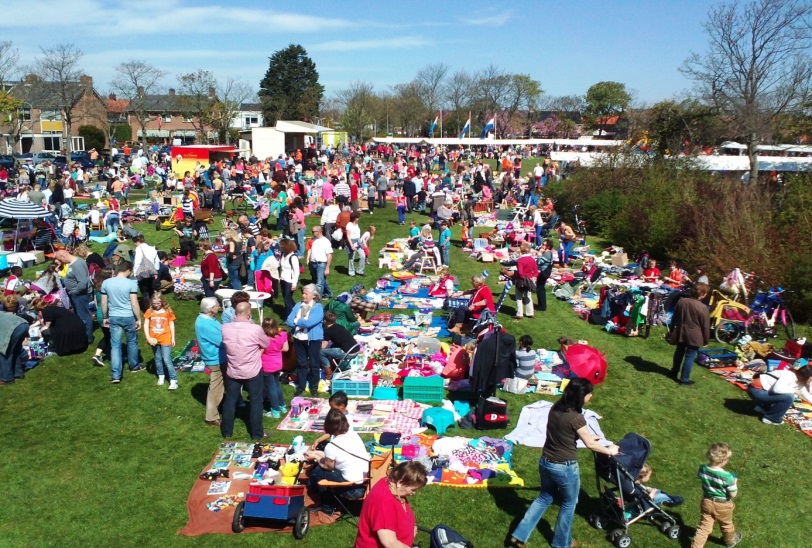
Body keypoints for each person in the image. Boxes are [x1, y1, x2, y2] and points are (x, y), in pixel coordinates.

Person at [510, 378, 619, 548]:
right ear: (582, 396)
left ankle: (519, 535)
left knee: (544, 497)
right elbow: (590, 444)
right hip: (565, 467)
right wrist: (609, 451)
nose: (590, 397)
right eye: (589, 394)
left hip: (546, 461)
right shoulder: (576, 418)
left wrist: (588, 437)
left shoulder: (555, 408)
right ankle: (562, 543)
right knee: (569, 503)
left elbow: (567, 432)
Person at [305, 409, 371, 512]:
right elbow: (340, 458)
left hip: (353, 488)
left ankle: (327, 507)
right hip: (367, 481)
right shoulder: (353, 434)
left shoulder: (332, 446)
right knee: (320, 467)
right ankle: (315, 489)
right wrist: (317, 454)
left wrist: (316, 457)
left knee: (318, 471)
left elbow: (328, 467)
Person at [221, 302, 269, 440]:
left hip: (233, 369)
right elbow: (265, 343)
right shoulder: (255, 329)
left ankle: (227, 432)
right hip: (252, 370)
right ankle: (257, 434)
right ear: (249, 313)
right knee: (256, 401)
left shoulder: (225, 328)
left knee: (230, 401)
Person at [355, 460, 428, 548]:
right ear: (400, 482)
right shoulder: (383, 502)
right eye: (413, 490)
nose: (414, 493)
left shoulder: (390, 484)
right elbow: (390, 543)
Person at [101, 260, 144, 383]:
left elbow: (104, 303)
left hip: (114, 316)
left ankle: (116, 375)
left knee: (115, 345)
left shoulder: (106, 283)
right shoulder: (131, 284)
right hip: (128, 316)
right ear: (129, 270)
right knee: (132, 342)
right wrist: (139, 319)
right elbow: (134, 303)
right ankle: (134, 366)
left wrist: (105, 317)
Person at [692, 443, 742, 548]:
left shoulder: (703, 469)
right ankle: (730, 541)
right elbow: (733, 494)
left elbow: (701, 476)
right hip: (723, 505)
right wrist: (735, 482)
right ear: (723, 461)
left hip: (707, 501)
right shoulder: (727, 477)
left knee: (704, 527)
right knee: (726, 524)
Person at [287, 283, 325, 397]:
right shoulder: (298, 305)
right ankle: (301, 386)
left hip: (313, 339)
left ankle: (314, 387)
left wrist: (297, 320)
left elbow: (310, 322)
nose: (303, 296)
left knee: (314, 363)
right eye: (303, 293)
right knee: (301, 363)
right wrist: (299, 322)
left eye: (306, 294)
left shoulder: (318, 307)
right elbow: (288, 320)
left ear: (314, 295)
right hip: (299, 338)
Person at [670, 283, 710, 386]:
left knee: (679, 352)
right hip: (694, 335)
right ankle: (684, 379)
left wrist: (671, 329)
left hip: (681, 332)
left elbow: (674, 317)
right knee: (690, 356)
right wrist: (706, 340)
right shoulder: (702, 307)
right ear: (702, 294)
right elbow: (705, 326)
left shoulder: (681, 301)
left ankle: (674, 372)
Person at [746, 365, 812, 425]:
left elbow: (807, 395)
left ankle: (763, 408)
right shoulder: (790, 375)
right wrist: (795, 391)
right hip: (756, 390)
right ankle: (771, 418)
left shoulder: (800, 382)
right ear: (807, 376)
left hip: (762, 391)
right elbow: (777, 389)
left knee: (788, 395)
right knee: (789, 397)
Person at [196, 297, 226, 426]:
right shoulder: (206, 325)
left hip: (217, 357)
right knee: (216, 387)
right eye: (216, 306)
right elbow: (222, 341)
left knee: (222, 384)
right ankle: (211, 416)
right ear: (210, 309)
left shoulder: (205, 319)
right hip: (216, 359)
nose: (219, 307)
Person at [54, 249, 95, 345]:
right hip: (76, 295)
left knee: (84, 316)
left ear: (63, 256)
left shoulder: (77, 264)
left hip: (80, 295)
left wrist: (75, 292)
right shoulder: (73, 264)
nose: (60, 262)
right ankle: (82, 334)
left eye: (60, 260)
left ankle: (88, 338)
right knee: (80, 316)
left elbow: (82, 282)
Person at [143, 294, 177, 390]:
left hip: (166, 338)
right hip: (154, 339)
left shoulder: (167, 311)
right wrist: (148, 337)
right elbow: (146, 324)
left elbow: (171, 324)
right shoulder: (150, 311)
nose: (156, 305)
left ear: (162, 302)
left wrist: (173, 338)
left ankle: (173, 380)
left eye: (158, 303)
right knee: (157, 358)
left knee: (166, 359)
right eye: (154, 304)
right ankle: (161, 376)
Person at [260, 317, 289, 419]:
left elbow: (260, 353)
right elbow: (286, 348)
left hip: (267, 365)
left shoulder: (264, 339)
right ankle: (282, 406)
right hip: (278, 363)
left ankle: (275, 410)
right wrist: (277, 349)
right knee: (276, 385)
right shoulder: (283, 335)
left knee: (271, 388)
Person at [0, 308, 28, 384]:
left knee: (4, 352)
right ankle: (18, 373)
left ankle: (7, 379)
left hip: (13, 327)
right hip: (23, 324)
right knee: (16, 350)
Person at [513, 242, 539, 320]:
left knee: (518, 297)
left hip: (521, 280)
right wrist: (533, 278)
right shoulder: (532, 259)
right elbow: (536, 271)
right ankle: (530, 313)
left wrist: (522, 277)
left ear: (521, 250)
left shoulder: (520, 260)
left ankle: (519, 313)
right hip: (530, 280)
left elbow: (520, 272)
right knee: (528, 296)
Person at [132, 234, 160, 304]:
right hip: (151, 272)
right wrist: (156, 271)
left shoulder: (139, 249)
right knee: (151, 290)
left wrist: (135, 273)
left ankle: (148, 308)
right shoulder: (152, 248)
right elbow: (157, 261)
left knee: (144, 292)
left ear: (137, 242)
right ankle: (154, 305)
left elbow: (137, 262)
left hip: (142, 272)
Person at [307, 226, 333, 299]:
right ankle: (328, 293)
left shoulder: (325, 242)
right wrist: (309, 260)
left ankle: (317, 299)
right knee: (321, 280)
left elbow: (329, 255)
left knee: (319, 283)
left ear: (319, 232)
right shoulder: (314, 240)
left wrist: (327, 268)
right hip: (313, 263)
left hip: (321, 264)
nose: (312, 233)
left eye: (313, 232)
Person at [278, 238, 300, 317]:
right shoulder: (283, 255)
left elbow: (296, 271)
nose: (280, 247)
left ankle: (289, 316)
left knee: (287, 299)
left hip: (290, 281)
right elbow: (282, 267)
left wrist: (294, 284)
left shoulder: (293, 257)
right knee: (286, 298)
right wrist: (280, 278)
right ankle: (297, 309)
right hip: (283, 279)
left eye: (282, 246)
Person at [536, 239, 555, 311]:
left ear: (548, 246)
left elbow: (539, 262)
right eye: (542, 244)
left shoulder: (547, 254)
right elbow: (537, 247)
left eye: (544, 244)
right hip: (544, 272)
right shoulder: (547, 252)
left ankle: (542, 306)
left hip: (543, 273)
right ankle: (541, 305)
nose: (542, 246)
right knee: (540, 288)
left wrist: (539, 254)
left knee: (540, 289)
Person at [344, 212, 365, 277]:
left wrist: (362, 242)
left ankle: (359, 270)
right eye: (358, 217)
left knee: (362, 256)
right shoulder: (349, 225)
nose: (359, 218)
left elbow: (358, 235)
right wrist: (351, 245)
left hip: (358, 242)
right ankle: (351, 272)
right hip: (352, 242)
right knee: (351, 258)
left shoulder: (356, 225)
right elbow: (348, 236)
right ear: (355, 218)